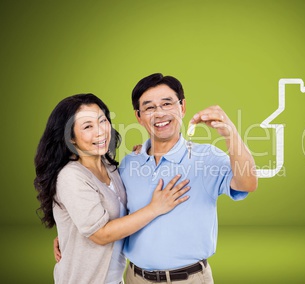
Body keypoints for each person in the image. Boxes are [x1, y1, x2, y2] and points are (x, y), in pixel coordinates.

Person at [34, 93, 190, 284]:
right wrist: (155, 208)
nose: (100, 132)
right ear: (71, 138)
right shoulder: (71, 176)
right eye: (88, 127)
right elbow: (101, 234)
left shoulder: (109, 166)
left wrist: (146, 153)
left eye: (102, 121)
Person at [119, 73, 258, 283]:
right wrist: (70, 238)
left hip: (190, 279)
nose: (159, 113)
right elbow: (112, 215)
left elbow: (247, 183)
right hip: (135, 277)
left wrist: (230, 134)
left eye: (167, 103)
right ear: (139, 116)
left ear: (182, 107)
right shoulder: (129, 163)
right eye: (149, 107)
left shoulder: (207, 157)